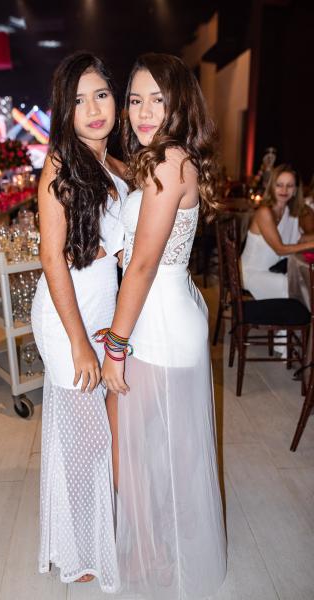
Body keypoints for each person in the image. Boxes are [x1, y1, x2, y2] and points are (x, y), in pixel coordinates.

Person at [99, 53, 227, 600]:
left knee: (137, 444)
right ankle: (159, 545)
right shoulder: (171, 159)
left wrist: (116, 346)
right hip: (169, 313)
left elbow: (144, 266)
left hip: (159, 322)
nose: (144, 111)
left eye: (157, 99)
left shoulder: (165, 163)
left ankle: (150, 555)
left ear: (179, 104)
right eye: (135, 99)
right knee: (159, 444)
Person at [31, 51, 127, 592]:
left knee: (93, 436)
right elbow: (52, 257)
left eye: (101, 95)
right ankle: (80, 550)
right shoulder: (60, 166)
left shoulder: (113, 165)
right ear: (63, 111)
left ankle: (89, 536)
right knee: (84, 440)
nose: (93, 109)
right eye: (78, 100)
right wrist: (79, 343)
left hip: (100, 311)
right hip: (68, 317)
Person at [241, 164, 314, 299]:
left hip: (275, 269)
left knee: (306, 282)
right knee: (297, 287)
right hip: (253, 273)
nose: (284, 190)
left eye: (289, 185)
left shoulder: (289, 211)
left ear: (295, 190)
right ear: (271, 187)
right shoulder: (264, 212)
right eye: (279, 185)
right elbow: (280, 249)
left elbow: (299, 239)